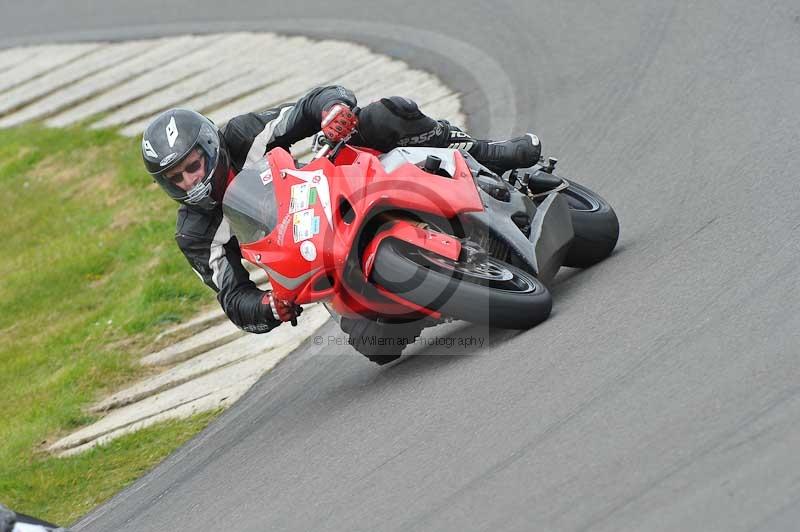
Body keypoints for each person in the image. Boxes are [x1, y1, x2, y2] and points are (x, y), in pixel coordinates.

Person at [141, 86, 541, 359]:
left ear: (210, 147)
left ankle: (485, 153)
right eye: (175, 178)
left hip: (330, 190)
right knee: (377, 347)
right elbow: (232, 296)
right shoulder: (195, 232)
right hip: (317, 253)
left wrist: (332, 112)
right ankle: (425, 286)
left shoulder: (245, 136)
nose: (190, 181)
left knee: (383, 115)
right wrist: (269, 306)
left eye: (192, 166)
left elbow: (310, 104)